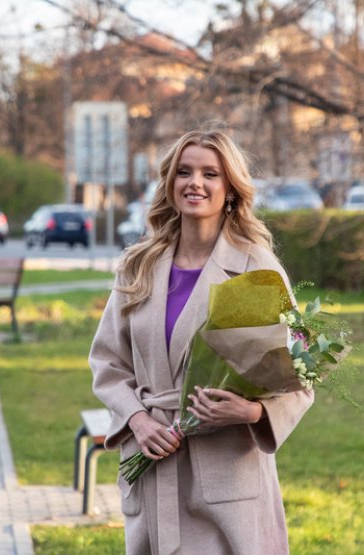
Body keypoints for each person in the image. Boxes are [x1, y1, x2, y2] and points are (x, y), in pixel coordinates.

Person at [89, 126, 314, 554]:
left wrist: (251, 411)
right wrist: (138, 419)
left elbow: (300, 376)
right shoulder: (138, 266)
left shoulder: (256, 268)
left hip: (226, 475)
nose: (195, 183)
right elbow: (108, 363)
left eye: (210, 174)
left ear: (230, 188)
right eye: (184, 172)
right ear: (169, 184)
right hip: (154, 459)